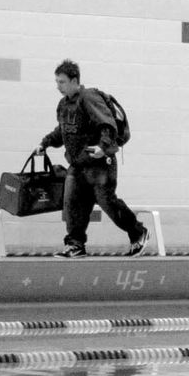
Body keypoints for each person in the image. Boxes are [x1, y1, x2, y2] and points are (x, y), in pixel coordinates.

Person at [35, 59, 149, 258]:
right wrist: (44, 143)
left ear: (74, 80)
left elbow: (107, 124)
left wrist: (103, 147)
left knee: (107, 202)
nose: (58, 87)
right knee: (73, 205)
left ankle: (138, 232)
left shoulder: (89, 98)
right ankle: (75, 245)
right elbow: (62, 132)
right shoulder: (63, 104)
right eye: (57, 82)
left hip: (99, 165)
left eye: (61, 82)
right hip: (78, 165)